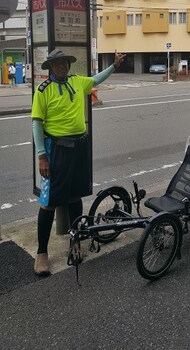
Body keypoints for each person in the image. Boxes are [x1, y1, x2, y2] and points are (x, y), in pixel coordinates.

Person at [31, 48, 126, 276]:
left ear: (68, 66)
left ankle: (75, 243)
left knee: (74, 197)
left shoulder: (76, 82)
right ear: (51, 67)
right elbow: (36, 123)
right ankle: (42, 253)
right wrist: (42, 155)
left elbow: (96, 79)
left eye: (64, 63)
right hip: (57, 150)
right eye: (57, 64)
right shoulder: (43, 90)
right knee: (49, 201)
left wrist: (114, 66)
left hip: (79, 147)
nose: (61, 67)